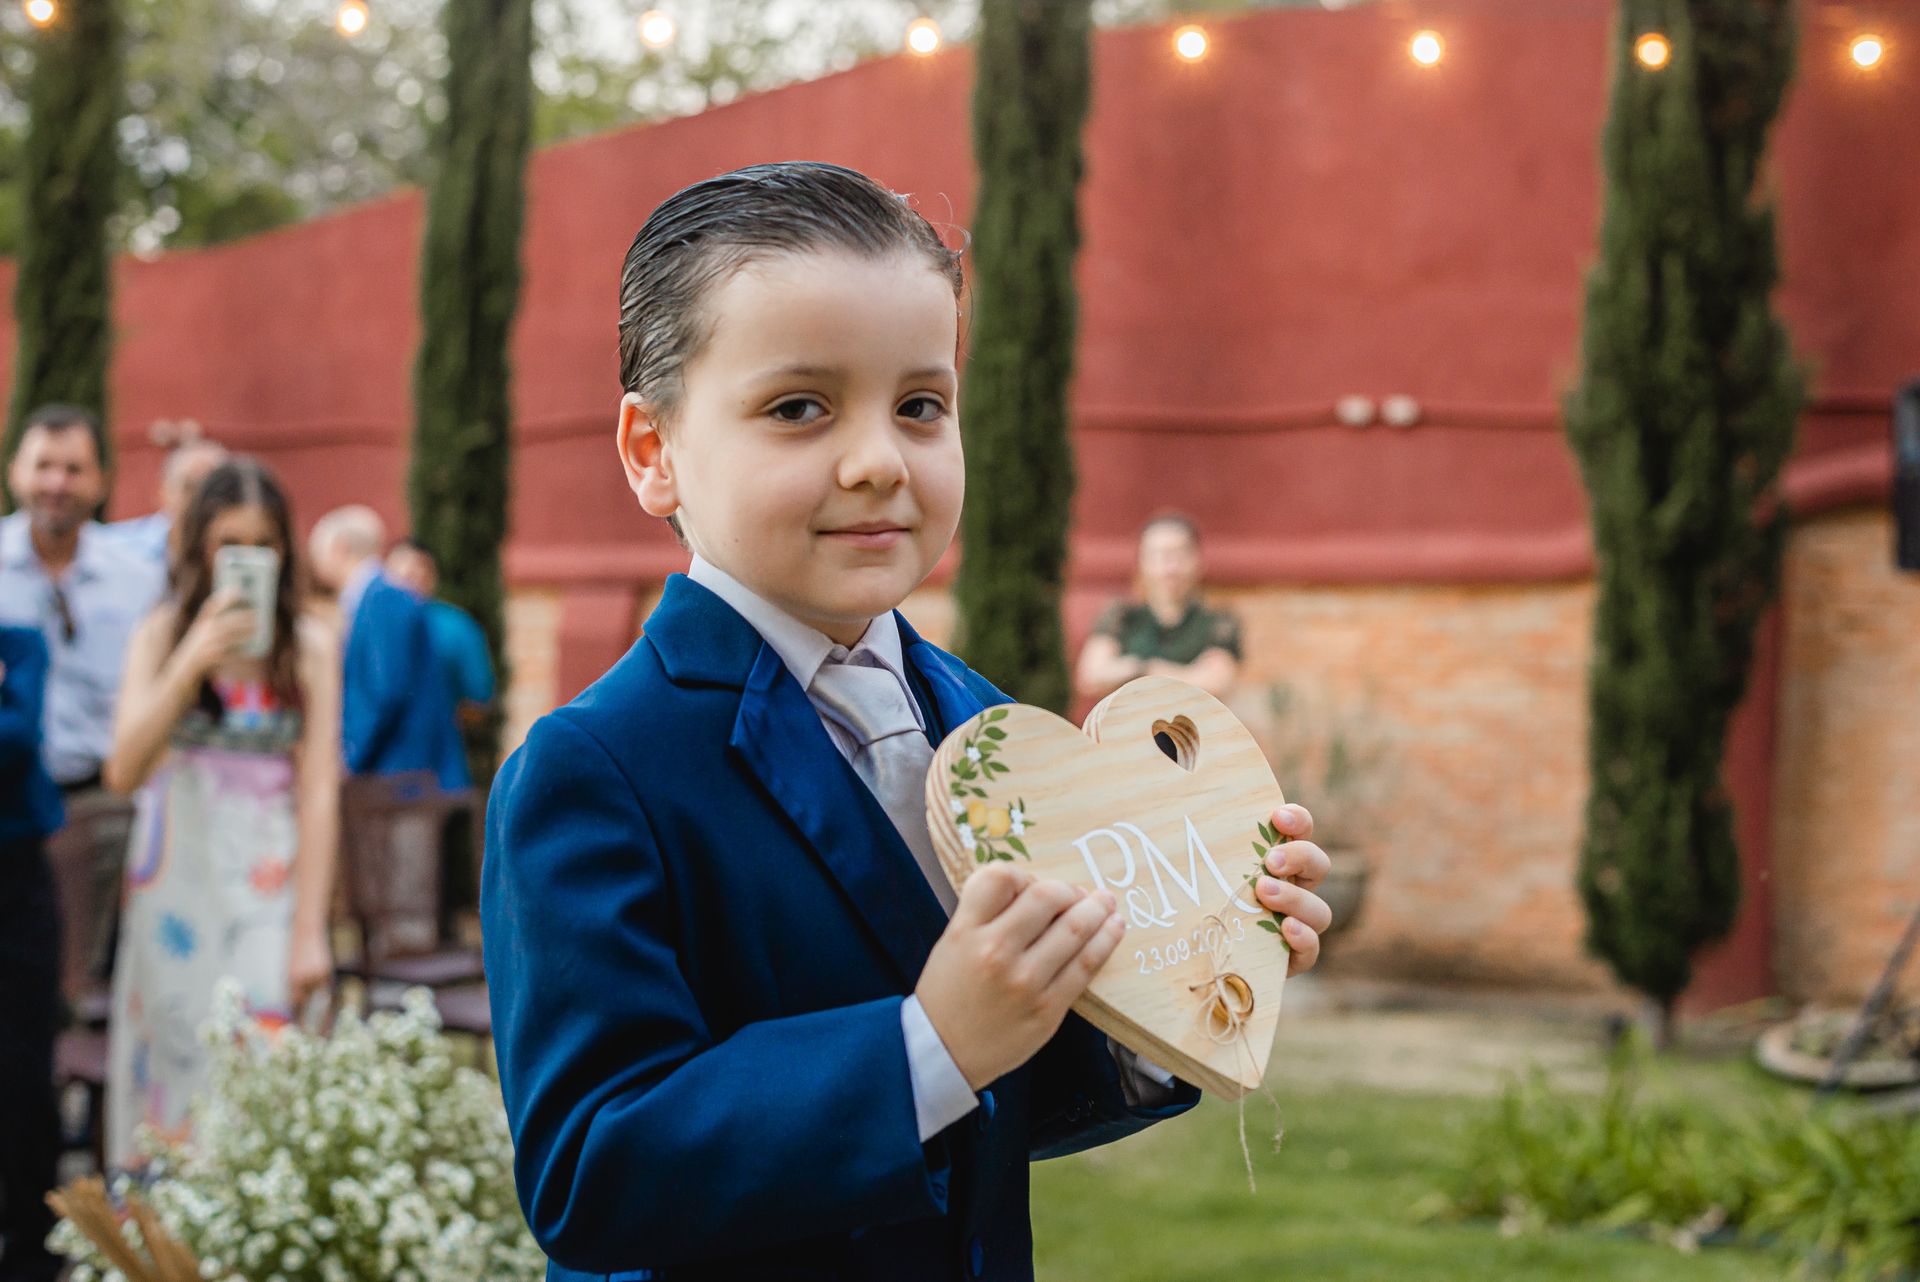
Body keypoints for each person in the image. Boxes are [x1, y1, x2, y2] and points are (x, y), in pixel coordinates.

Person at [481, 163, 1333, 1282]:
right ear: (654, 451)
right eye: (800, 407)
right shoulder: (593, 770)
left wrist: (1180, 977)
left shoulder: (986, 725)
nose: (880, 457)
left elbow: (1004, 1096)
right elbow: (590, 1168)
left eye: (920, 405)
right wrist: (927, 1047)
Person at [101, 458, 340, 1169]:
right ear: (200, 546)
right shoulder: (161, 633)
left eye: (263, 543)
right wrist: (190, 661)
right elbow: (123, 771)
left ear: (284, 550)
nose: (247, 559)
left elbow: (321, 789)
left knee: (263, 1064)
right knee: (173, 1067)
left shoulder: (313, 646)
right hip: (173, 888)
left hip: (269, 881)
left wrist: (310, 932)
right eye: (229, 542)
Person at [0, 404, 166, 976]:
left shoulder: (139, 580)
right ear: (14, 471)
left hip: (108, 809)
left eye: (74, 469)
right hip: (8, 818)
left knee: (104, 981)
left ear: (100, 480)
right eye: (43, 465)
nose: (56, 483)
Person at [309, 506, 468, 791]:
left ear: (339, 549)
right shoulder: (376, 598)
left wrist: (350, 760)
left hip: (403, 779)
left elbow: (385, 692)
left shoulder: (383, 599)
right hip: (397, 776)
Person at [0, 627, 66, 1282]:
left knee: (22, 1072)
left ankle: (30, 1251)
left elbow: (16, 742)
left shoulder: (19, 644)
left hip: (16, 883)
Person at [1075, 513, 1244, 704]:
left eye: (1179, 554)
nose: (1170, 567)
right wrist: (1175, 673)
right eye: (1158, 555)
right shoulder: (1122, 615)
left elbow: (1214, 682)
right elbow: (1090, 677)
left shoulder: (1218, 621)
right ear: (1141, 562)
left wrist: (1141, 669)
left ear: (1197, 560)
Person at [384, 537, 497, 729]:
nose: (409, 575)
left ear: (433, 576)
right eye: (401, 568)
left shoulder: (456, 627)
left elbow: (479, 701)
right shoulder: (367, 625)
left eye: (418, 568)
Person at [107, 434, 228, 566]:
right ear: (163, 493)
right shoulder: (115, 548)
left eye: (214, 492)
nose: (200, 500)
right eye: (190, 487)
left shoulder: (234, 555)